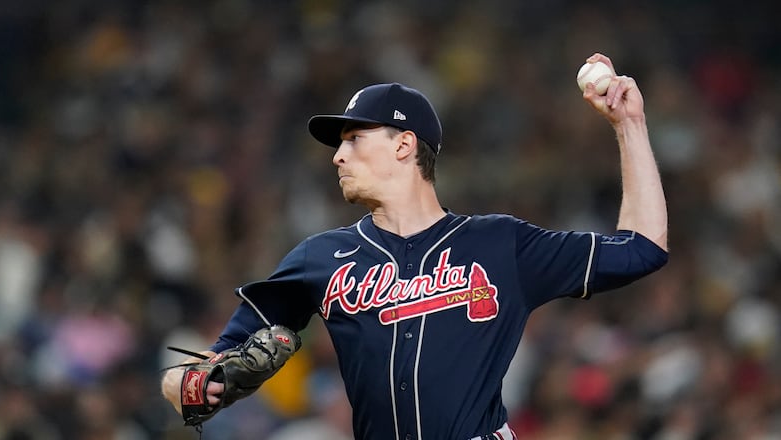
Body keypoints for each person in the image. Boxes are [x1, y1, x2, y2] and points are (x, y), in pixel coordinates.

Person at [161, 53, 668, 440]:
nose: (338, 156)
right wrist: (191, 386)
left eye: (354, 139)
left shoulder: (500, 244)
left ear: (404, 145)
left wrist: (630, 126)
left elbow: (642, 247)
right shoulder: (320, 258)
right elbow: (199, 370)